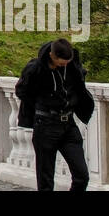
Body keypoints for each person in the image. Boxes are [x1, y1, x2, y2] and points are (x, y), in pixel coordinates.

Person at [15, 38, 94, 191]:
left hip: (69, 125)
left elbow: (79, 86)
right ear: (52, 55)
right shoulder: (36, 69)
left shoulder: (72, 66)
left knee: (82, 175)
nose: (65, 64)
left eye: (67, 61)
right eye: (62, 62)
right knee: (46, 179)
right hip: (45, 125)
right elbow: (22, 91)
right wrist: (41, 106)